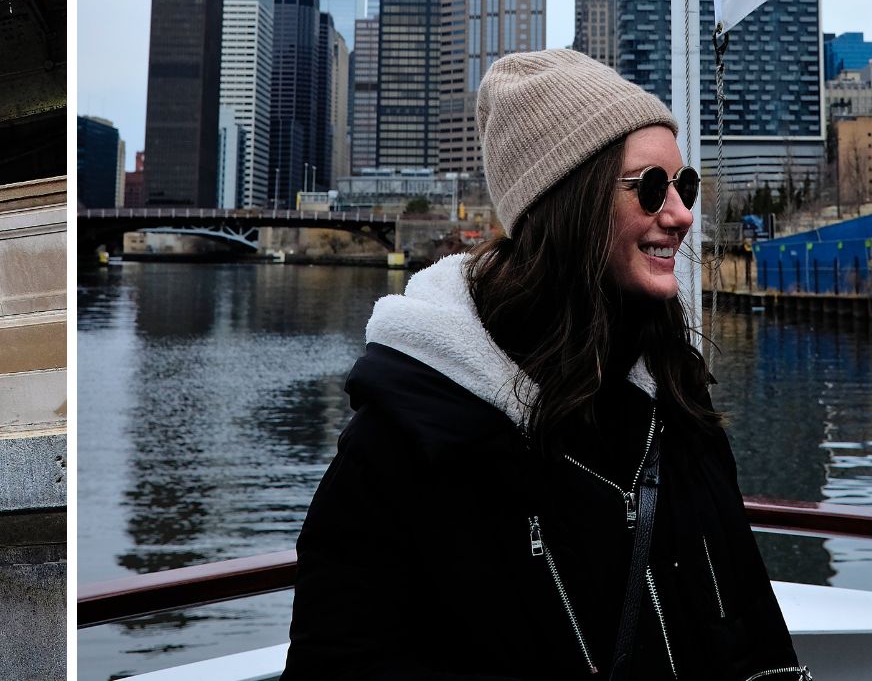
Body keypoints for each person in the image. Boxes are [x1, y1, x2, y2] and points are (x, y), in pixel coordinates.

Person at [283, 49, 811, 681]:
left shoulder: (676, 403)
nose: (681, 215)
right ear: (570, 205)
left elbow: (755, 641)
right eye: (649, 188)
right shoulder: (405, 442)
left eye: (684, 185)